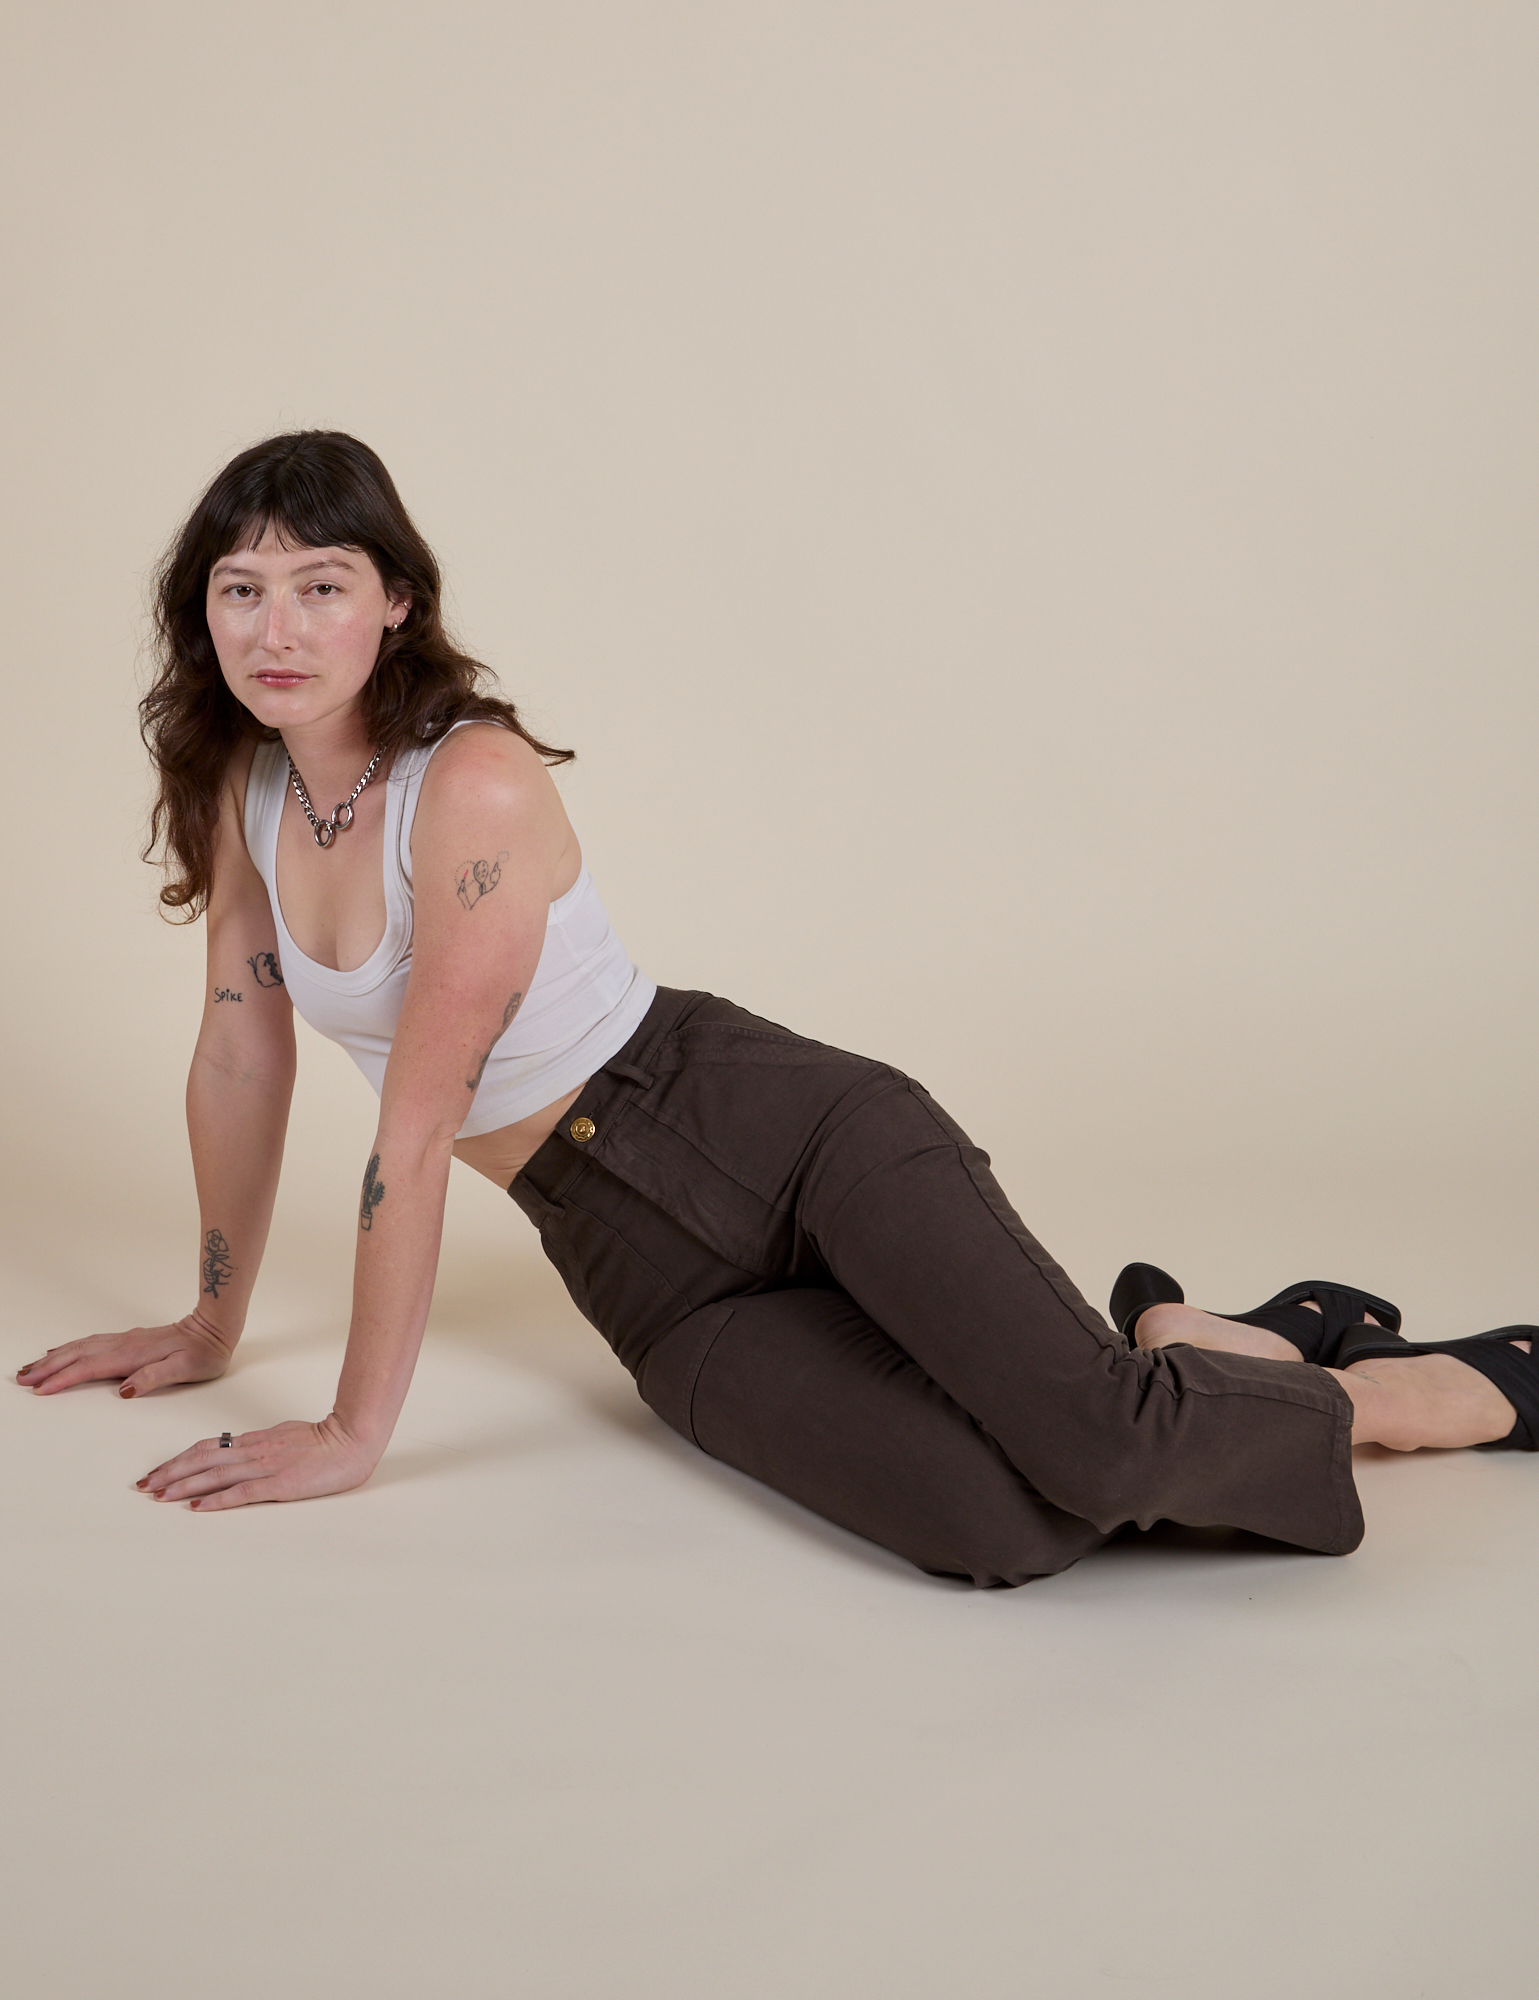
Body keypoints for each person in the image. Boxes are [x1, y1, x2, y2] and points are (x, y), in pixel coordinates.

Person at [15, 433, 1537, 1586]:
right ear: (201, 613)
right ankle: (1194, 1344)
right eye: (241, 591)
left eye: (321, 587)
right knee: (1003, 1529)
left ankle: (1421, 1390)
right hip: (645, 1274)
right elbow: (239, 1047)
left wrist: (352, 1435)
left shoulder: (465, 784)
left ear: (394, 605)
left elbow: (410, 1132)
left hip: (775, 1127)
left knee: (1094, 1443)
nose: (276, 628)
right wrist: (212, 1320)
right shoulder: (246, 790)